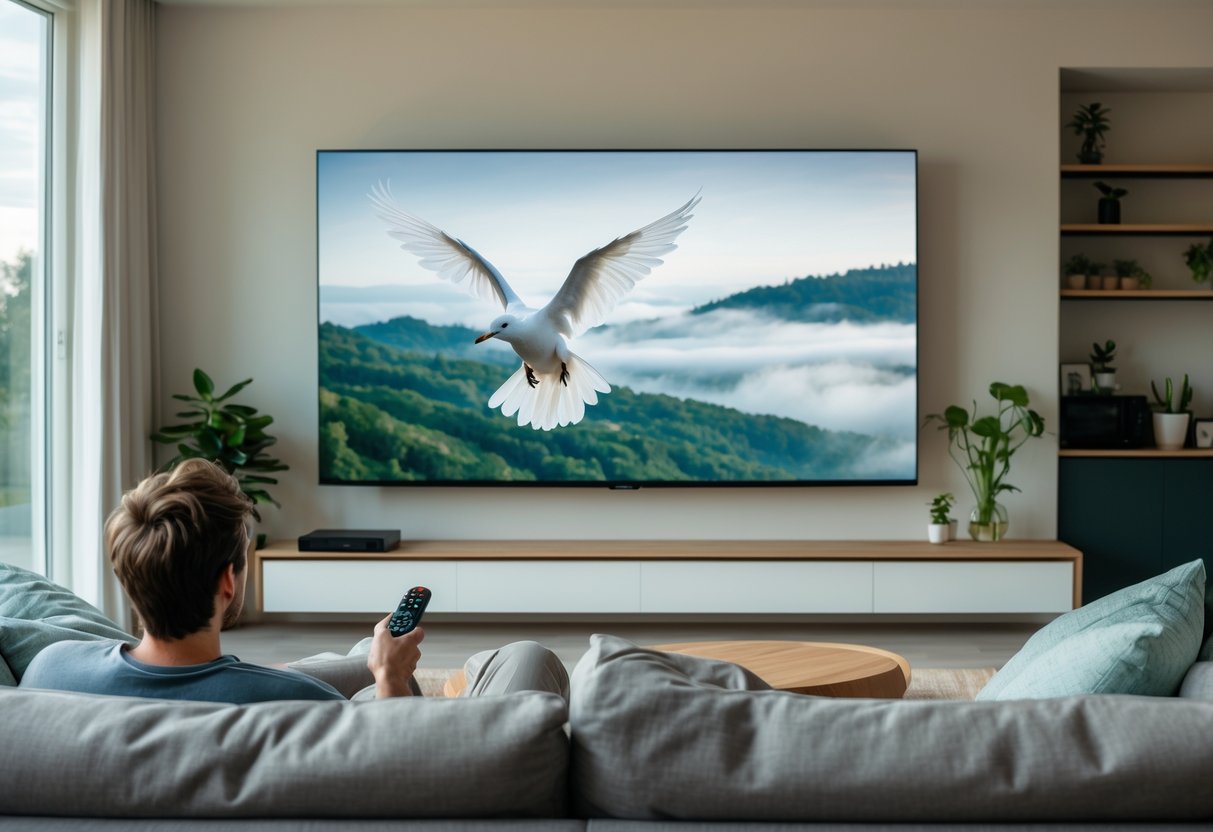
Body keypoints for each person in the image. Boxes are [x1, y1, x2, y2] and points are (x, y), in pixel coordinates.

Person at [20, 458, 567, 704]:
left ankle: (375, 654)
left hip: (233, 675)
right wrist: (392, 684)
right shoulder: (298, 702)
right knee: (526, 657)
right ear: (229, 581)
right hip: (295, 691)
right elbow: (406, 752)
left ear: (126, 572)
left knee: (365, 652)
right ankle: (408, 669)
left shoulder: (50, 668)